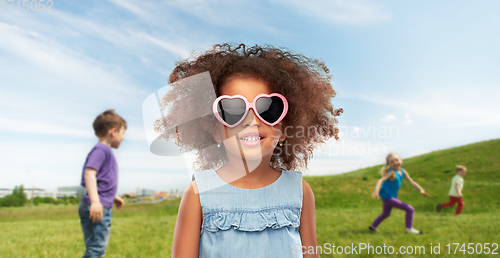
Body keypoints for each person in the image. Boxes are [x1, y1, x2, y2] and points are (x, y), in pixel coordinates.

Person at [160, 44, 343, 258]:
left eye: (267, 108)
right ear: (215, 130)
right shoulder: (198, 194)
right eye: (233, 110)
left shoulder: (300, 192)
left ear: (284, 129)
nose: (251, 121)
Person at [79, 109, 126, 258]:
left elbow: (102, 181)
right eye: (123, 133)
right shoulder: (101, 150)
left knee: (96, 248)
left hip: (102, 204)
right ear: (113, 131)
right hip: (97, 207)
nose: (123, 138)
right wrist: (95, 201)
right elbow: (89, 173)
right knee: (96, 249)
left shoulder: (104, 151)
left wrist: (113, 196)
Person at [369, 152, 430, 234]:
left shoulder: (403, 171)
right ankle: (409, 229)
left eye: (397, 160)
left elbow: (411, 182)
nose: (395, 162)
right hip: (388, 197)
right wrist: (376, 190)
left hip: (390, 196)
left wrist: (421, 189)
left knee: (386, 213)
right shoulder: (392, 172)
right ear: (389, 164)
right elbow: (380, 180)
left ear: (401, 160)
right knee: (410, 209)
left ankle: (373, 227)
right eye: (392, 162)